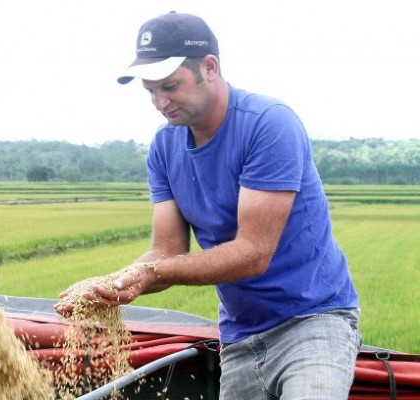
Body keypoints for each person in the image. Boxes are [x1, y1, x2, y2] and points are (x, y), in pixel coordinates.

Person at [55, 11, 361, 399]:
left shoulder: (268, 125)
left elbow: (253, 253)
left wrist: (150, 272)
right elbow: (166, 252)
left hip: (313, 319)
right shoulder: (165, 148)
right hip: (240, 332)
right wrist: (111, 285)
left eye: (170, 86)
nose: (160, 102)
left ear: (210, 68)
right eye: (150, 91)